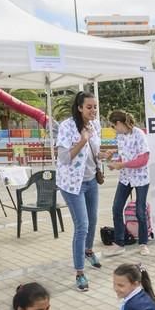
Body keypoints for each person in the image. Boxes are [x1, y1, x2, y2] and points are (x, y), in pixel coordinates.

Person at [56, 92, 103, 292]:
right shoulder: (66, 127)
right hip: (72, 184)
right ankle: (79, 272)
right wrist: (82, 141)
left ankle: (88, 250)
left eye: (95, 107)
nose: (93, 110)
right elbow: (65, 158)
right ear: (79, 108)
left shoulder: (96, 125)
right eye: (89, 107)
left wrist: (104, 154)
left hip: (91, 180)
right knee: (82, 226)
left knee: (92, 220)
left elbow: (94, 153)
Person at [104, 110, 151, 257]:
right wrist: (114, 162)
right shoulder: (120, 137)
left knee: (140, 212)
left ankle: (143, 243)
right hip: (125, 178)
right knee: (116, 208)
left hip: (141, 178)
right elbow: (124, 158)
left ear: (119, 123)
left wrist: (122, 165)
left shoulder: (139, 134)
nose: (113, 129)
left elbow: (143, 159)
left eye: (113, 126)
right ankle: (119, 243)